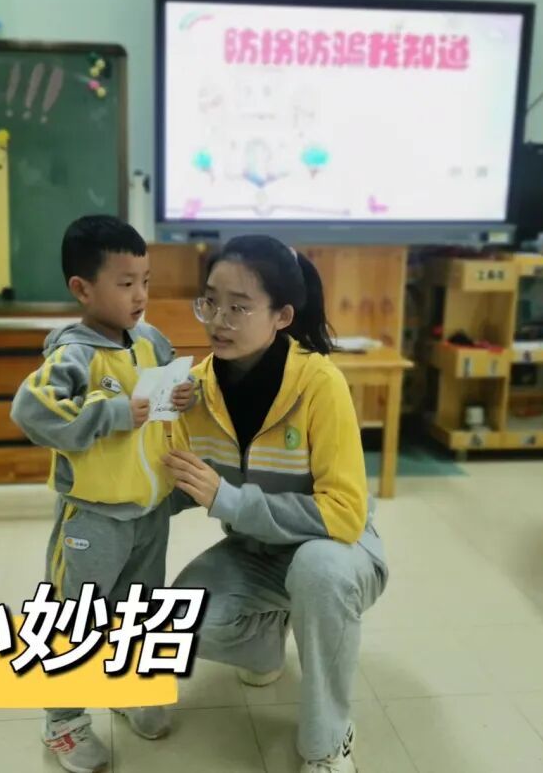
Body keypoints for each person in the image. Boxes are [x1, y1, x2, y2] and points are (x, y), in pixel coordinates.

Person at [163, 235, 387, 773]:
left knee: (317, 572)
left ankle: (328, 741)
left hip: (338, 552)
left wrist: (229, 500)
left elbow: (344, 514)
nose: (219, 320)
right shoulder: (194, 389)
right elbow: (179, 485)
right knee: (177, 624)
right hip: (256, 554)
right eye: (210, 301)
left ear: (282, 316)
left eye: (239, 307)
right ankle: (269, 643)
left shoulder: (319, 384)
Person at [11, 215, 192, 773]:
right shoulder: (73, 355)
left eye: (146, 281)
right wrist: (110, 414)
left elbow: (166, 393)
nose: (140, 295)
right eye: (125, 283)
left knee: (141, 610)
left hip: (148, 513)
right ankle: (63, 721)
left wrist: (181, 394)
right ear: (82, 289)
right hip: (92, 518)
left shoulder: (150, 340)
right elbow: (32, 411)